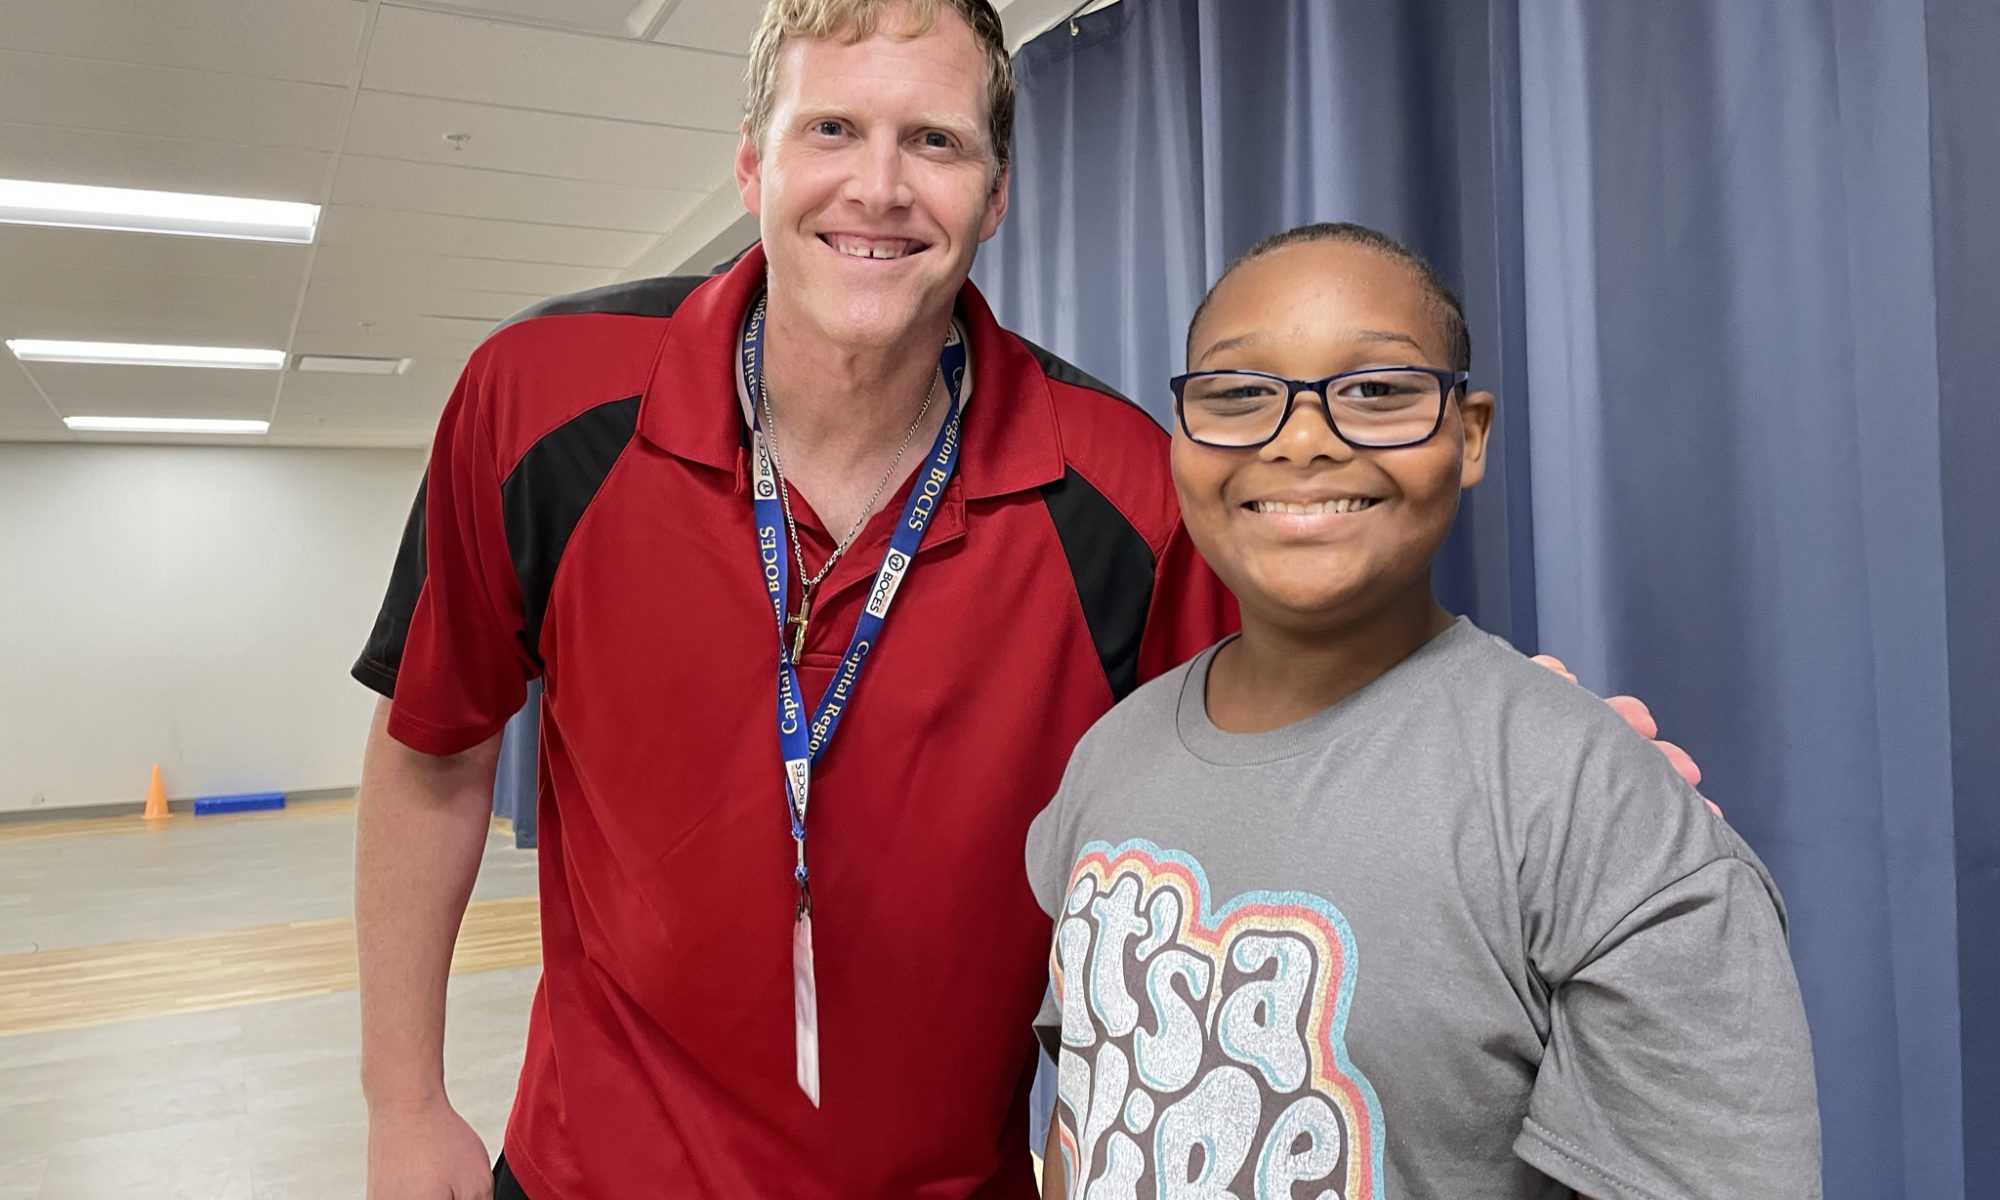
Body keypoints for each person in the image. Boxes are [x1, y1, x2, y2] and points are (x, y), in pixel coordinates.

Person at [351, 3, 1704, 1197]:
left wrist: (1517, 759)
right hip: (601, 1170)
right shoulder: (541, 402)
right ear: (755, 161)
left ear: (996, 194)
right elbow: (434, 748)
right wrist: (403, 1105)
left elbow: (1294, 757)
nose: (878, 189)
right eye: (833, 130)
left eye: (935, 143)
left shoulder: (1115, 484)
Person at [1027, 223, 1821, 1200]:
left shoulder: (1598, 814)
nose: (1303, 439)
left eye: (1375, 392)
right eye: (1237, 395)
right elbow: (1093, 1114)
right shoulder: (1107, 763)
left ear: (1468, 433)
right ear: (1183, 439)